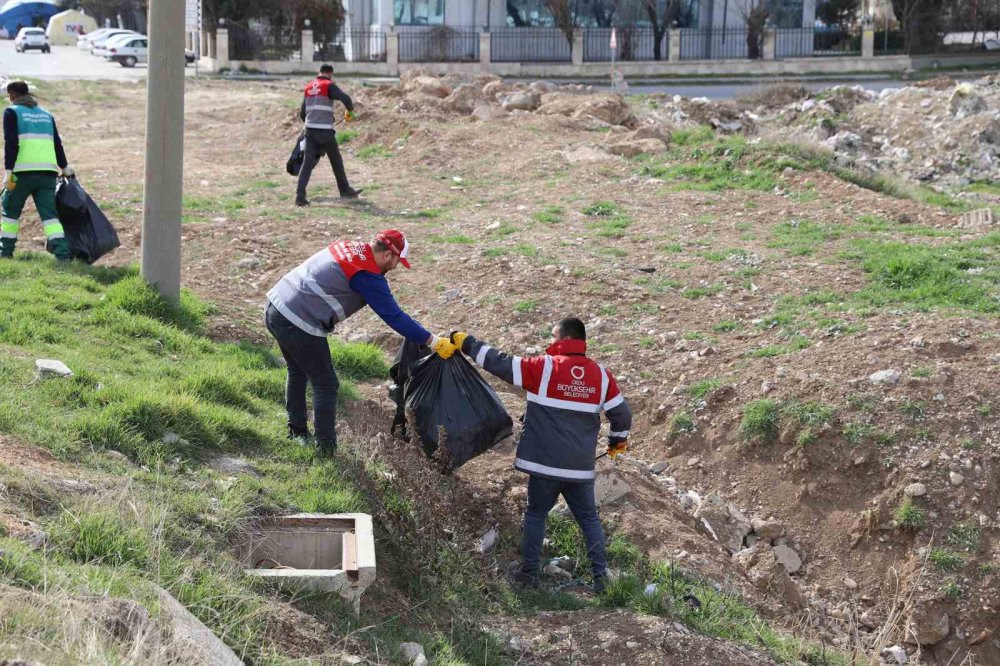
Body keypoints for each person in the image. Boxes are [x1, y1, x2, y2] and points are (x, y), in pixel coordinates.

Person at [449, 318, 632, 593]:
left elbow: (500, 363)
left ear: (562, 338)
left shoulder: (545, 367)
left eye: (553, 335)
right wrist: (617, 441)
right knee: (589, 520)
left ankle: (529, 575)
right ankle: (601, 581)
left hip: (544, 464)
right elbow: (622, 414)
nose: (550, 339)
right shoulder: (602, 376)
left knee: (536, 514)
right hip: (579, 468)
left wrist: (466, 342)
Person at [265, 229, 457, 454]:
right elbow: (394, 316)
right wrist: (434, 342)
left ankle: (297, 432)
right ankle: (325, 449)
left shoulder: (350, 248)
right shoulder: (366, 274)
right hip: (298, 321)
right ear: (387, 255)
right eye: (397, 261)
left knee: (298, 370)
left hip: (275, 306)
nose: (395, 267)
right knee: (326, 385)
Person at [1, 81, 74, 261]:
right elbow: (57, 144)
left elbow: (11, 143)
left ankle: (5, 253)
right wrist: (65, 168)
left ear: (12, 95)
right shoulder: (46, 115)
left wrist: (8, 172)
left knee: (10, 212)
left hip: (21, 174)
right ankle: (63, 256)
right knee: (50, 217)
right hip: (47, 174)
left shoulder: (12, 112)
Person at [296, 63, 360, 206]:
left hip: (310, 131)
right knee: (336, 161)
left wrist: (311, 122)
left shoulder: (308, 87)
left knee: (307, 164)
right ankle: (344, 190)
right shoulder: (328, 85)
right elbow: (346, 99)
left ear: (319, 72)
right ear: (330, 73)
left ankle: (300, 197)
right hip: (325, 132)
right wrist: (350, 110)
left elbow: (302, 113)